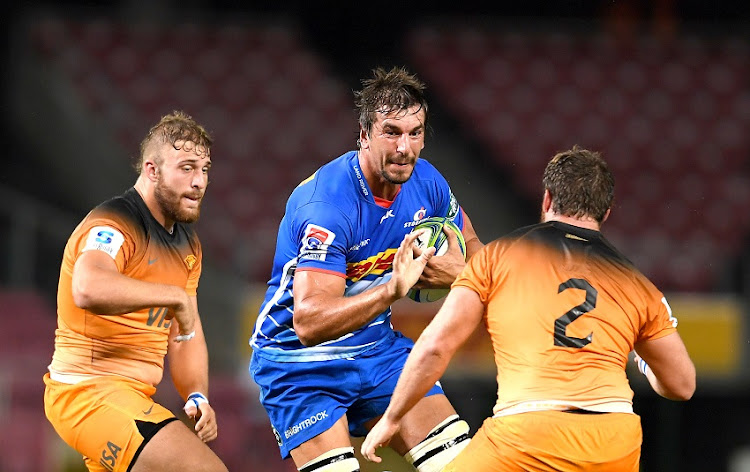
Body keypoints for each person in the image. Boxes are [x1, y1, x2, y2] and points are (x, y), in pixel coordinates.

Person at [361, 145, 696, 471]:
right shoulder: (638, 285)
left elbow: (436, 346)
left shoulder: (500, 256)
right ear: (605, 213)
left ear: (547, 199)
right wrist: (642, 361)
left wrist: (391, 418)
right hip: (614, 438)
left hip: (529, 433)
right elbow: (682, 385)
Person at [249, 66, 483, 472]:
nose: (404, 148)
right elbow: (308, 322)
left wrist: (462, 273)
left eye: (415, 132)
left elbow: (477, 250)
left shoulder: (428, 183)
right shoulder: (328, 205)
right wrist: (393, 290)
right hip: (299, 366)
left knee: (464, 466)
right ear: (363, 135)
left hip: (378, 352)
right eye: (391, 132)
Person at [43, 111, 228, 472]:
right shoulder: (114, 222)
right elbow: (87, 287)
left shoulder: (188, 245)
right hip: (87, 392)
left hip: (129, 397)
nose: (199, 182)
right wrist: (173, 296)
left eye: (204, 169)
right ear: (152, 170)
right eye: (187, 168)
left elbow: (185, 332)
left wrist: (196, 393)